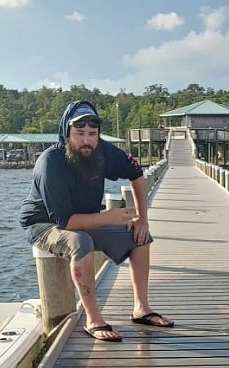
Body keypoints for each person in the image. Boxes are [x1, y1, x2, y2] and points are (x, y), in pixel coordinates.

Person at [20, 100, 172, 342]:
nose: (86, 140)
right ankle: (93, 319)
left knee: (140, 236)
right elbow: (65, 222)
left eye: (92, 134)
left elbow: (136, 174)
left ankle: (141, 308)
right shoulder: (51, 163)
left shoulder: (103, 151)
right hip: (45, 224)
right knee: (80, 241)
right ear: (66, 133)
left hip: (86, 217)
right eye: (79, 133)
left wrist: (143, 219)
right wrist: (109, 217)